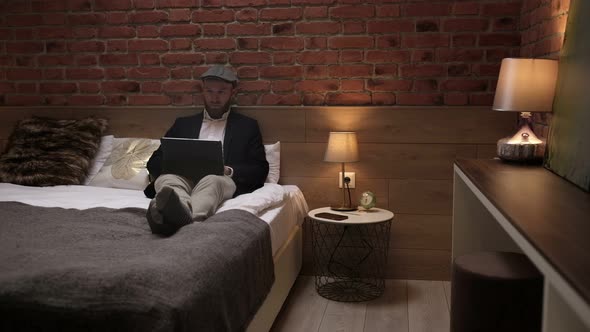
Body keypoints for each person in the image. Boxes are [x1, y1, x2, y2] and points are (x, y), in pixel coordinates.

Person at [144, 65, 269, 235]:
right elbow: (154, 162)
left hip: (219, 179)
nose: (214, 98)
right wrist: (175, 165)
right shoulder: (183, 124)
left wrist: (228, 170)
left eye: (221, 92)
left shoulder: (247, 126)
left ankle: (176, 221)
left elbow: (260, 169)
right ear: (202, 91)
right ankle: (183, 217)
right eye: (209, 91)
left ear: (233, 93)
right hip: (184, 178)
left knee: (212, 180)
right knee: (167, 180)